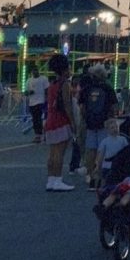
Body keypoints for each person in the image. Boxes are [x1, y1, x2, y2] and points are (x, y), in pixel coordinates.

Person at [79, 64, 117, 188]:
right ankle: (99, 176)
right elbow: (113, 107)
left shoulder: (86, 89)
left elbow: (82, 108)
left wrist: (85, 119)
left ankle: (89, 175)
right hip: (104, 123)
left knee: (91, 150)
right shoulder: (107, 88)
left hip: (90, 123)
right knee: (103, 150)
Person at [43, 54, 75, 192]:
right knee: (60, 153)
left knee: (52, 153)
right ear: (65, 69)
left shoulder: (52, 84)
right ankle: (58, 179)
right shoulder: (65, 84)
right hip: (61, 120)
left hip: (50, 119)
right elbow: (67, 106)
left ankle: (50, 180)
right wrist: (73, 123)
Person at [94, 117, 129, 190]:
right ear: (107, 130)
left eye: (117, 127)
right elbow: (101, 155)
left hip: (119, 163)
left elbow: (127, 151)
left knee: (120, 179)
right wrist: (98, 166)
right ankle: (102, 190)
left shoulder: (123, 139)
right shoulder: (105, 141)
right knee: (105, 179)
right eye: (112, 128)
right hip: (107, 165)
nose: (115, 129)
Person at [25, 67, 49, 143]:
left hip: (41, 101)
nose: (35, 72)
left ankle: (41, 135)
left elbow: (47, 90)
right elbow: (25, 92)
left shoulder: (43, 79)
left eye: (36, 70)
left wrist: (47, 100)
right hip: (32, 102)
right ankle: (38, 135)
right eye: (33, 71)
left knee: (40, 118)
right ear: (31, 72)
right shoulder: (29, 80)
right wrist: (29, 93)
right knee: (35, 119)